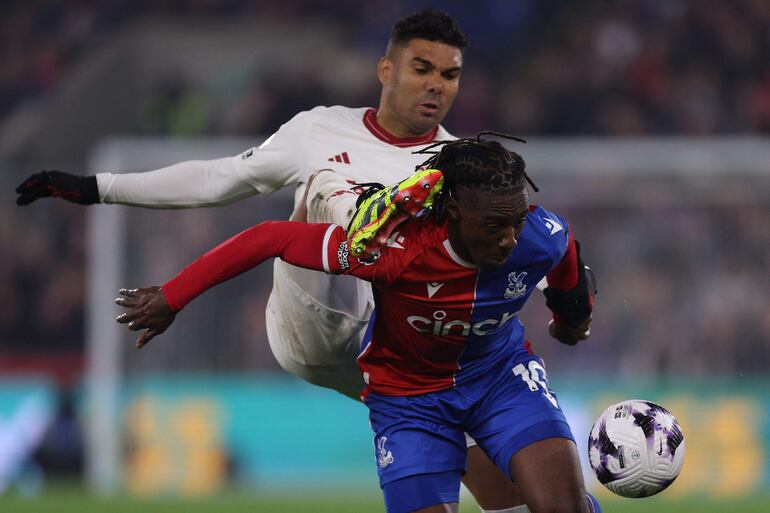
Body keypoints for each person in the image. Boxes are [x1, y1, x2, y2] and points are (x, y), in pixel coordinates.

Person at [15, 9, 552, 511]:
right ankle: (365, 221)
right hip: (307, 320)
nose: (437, 84)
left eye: (451, 75)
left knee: (491, 475)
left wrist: (557, 290)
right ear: (386, 69)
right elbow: (218, 179)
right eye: (422, 68)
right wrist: (97, 188)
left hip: (386, 349)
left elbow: (513, 244)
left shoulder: (462, 169)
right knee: (328, 188)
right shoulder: (320, 132)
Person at [114, 136, 600, 513]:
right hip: (409, 400)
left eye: (516, 220)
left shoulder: (541, 235)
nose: (509, 239)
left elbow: (568, 267)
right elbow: (269, 237)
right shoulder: (392, 250)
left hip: (500, 378)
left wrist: (570, 318)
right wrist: (172, 296)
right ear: (453, 211)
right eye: (494, 226)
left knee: (562, 506)